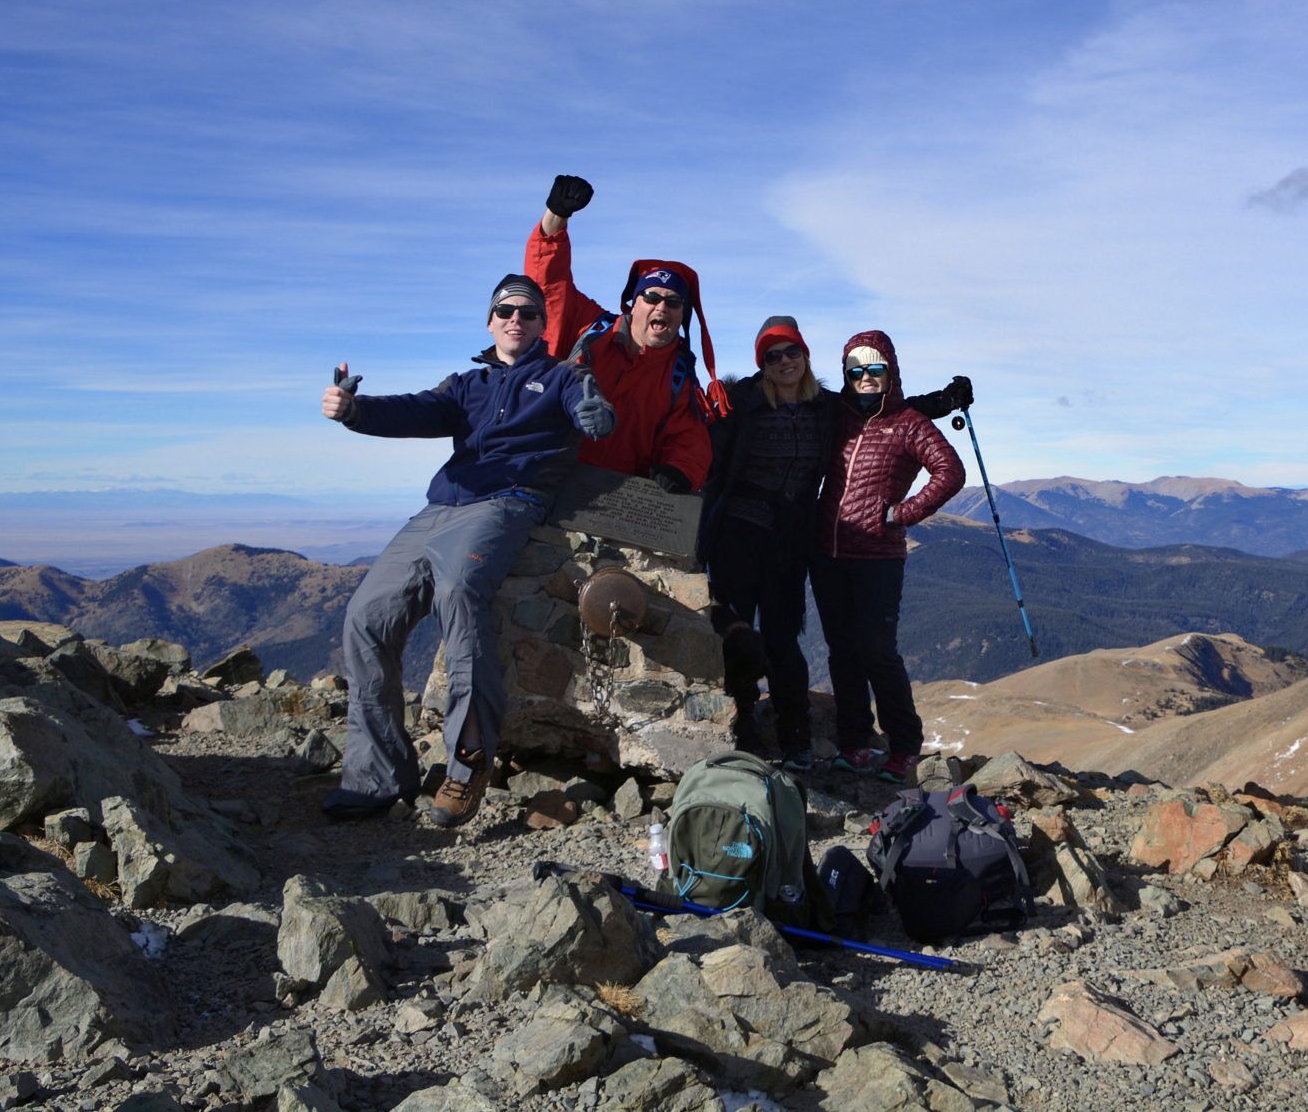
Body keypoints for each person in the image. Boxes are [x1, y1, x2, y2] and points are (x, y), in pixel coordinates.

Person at [319, 276, 615, 828]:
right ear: (490, 320)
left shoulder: (561, 377)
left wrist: (595, 414)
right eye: (505, 310)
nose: (515, 319)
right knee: (364, 619)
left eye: (528, 312)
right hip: (439, 508)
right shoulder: (468, 384)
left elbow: (587, 406)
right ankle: (377, 775)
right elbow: (417, 410)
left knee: (458, 593)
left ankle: (467, 762)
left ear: (540, 324)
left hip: (506, 502)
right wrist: (355, 410)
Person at [701, 317, 971, 774]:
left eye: (792, 352)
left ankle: (812, 741)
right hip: (753, 540)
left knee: (804, 643)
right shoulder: (747, 402)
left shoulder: (825, 406)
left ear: (806, 357)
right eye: (773, 355)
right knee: (748, 636)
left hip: (805, 544)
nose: (784, 361)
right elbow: (701, 436)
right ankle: (756, 735)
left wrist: (941, 405)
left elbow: (890, 413)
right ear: (761, 364)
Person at [810, 331, 965, 785]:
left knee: (878, 651)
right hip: (826, 552)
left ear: (890, 371)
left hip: (878, 554)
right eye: (854, 371)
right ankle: (855, 743)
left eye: (874, 369)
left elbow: (949, 472)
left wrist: (902, 513)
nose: (864, 378)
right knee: (842, 651)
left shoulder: (910, 423)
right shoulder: (838, 415)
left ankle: (903, 748)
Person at [523, 173, 718, 493]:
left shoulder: (679, 375)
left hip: (617, 498)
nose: (662, 307)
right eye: (652, 297)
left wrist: (681, 470)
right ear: (632, 304)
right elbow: (548, 285)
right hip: (550, 481)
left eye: (673, 302)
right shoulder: (591, 328)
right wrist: (555, 219)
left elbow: (688, 437)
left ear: (683, 314)